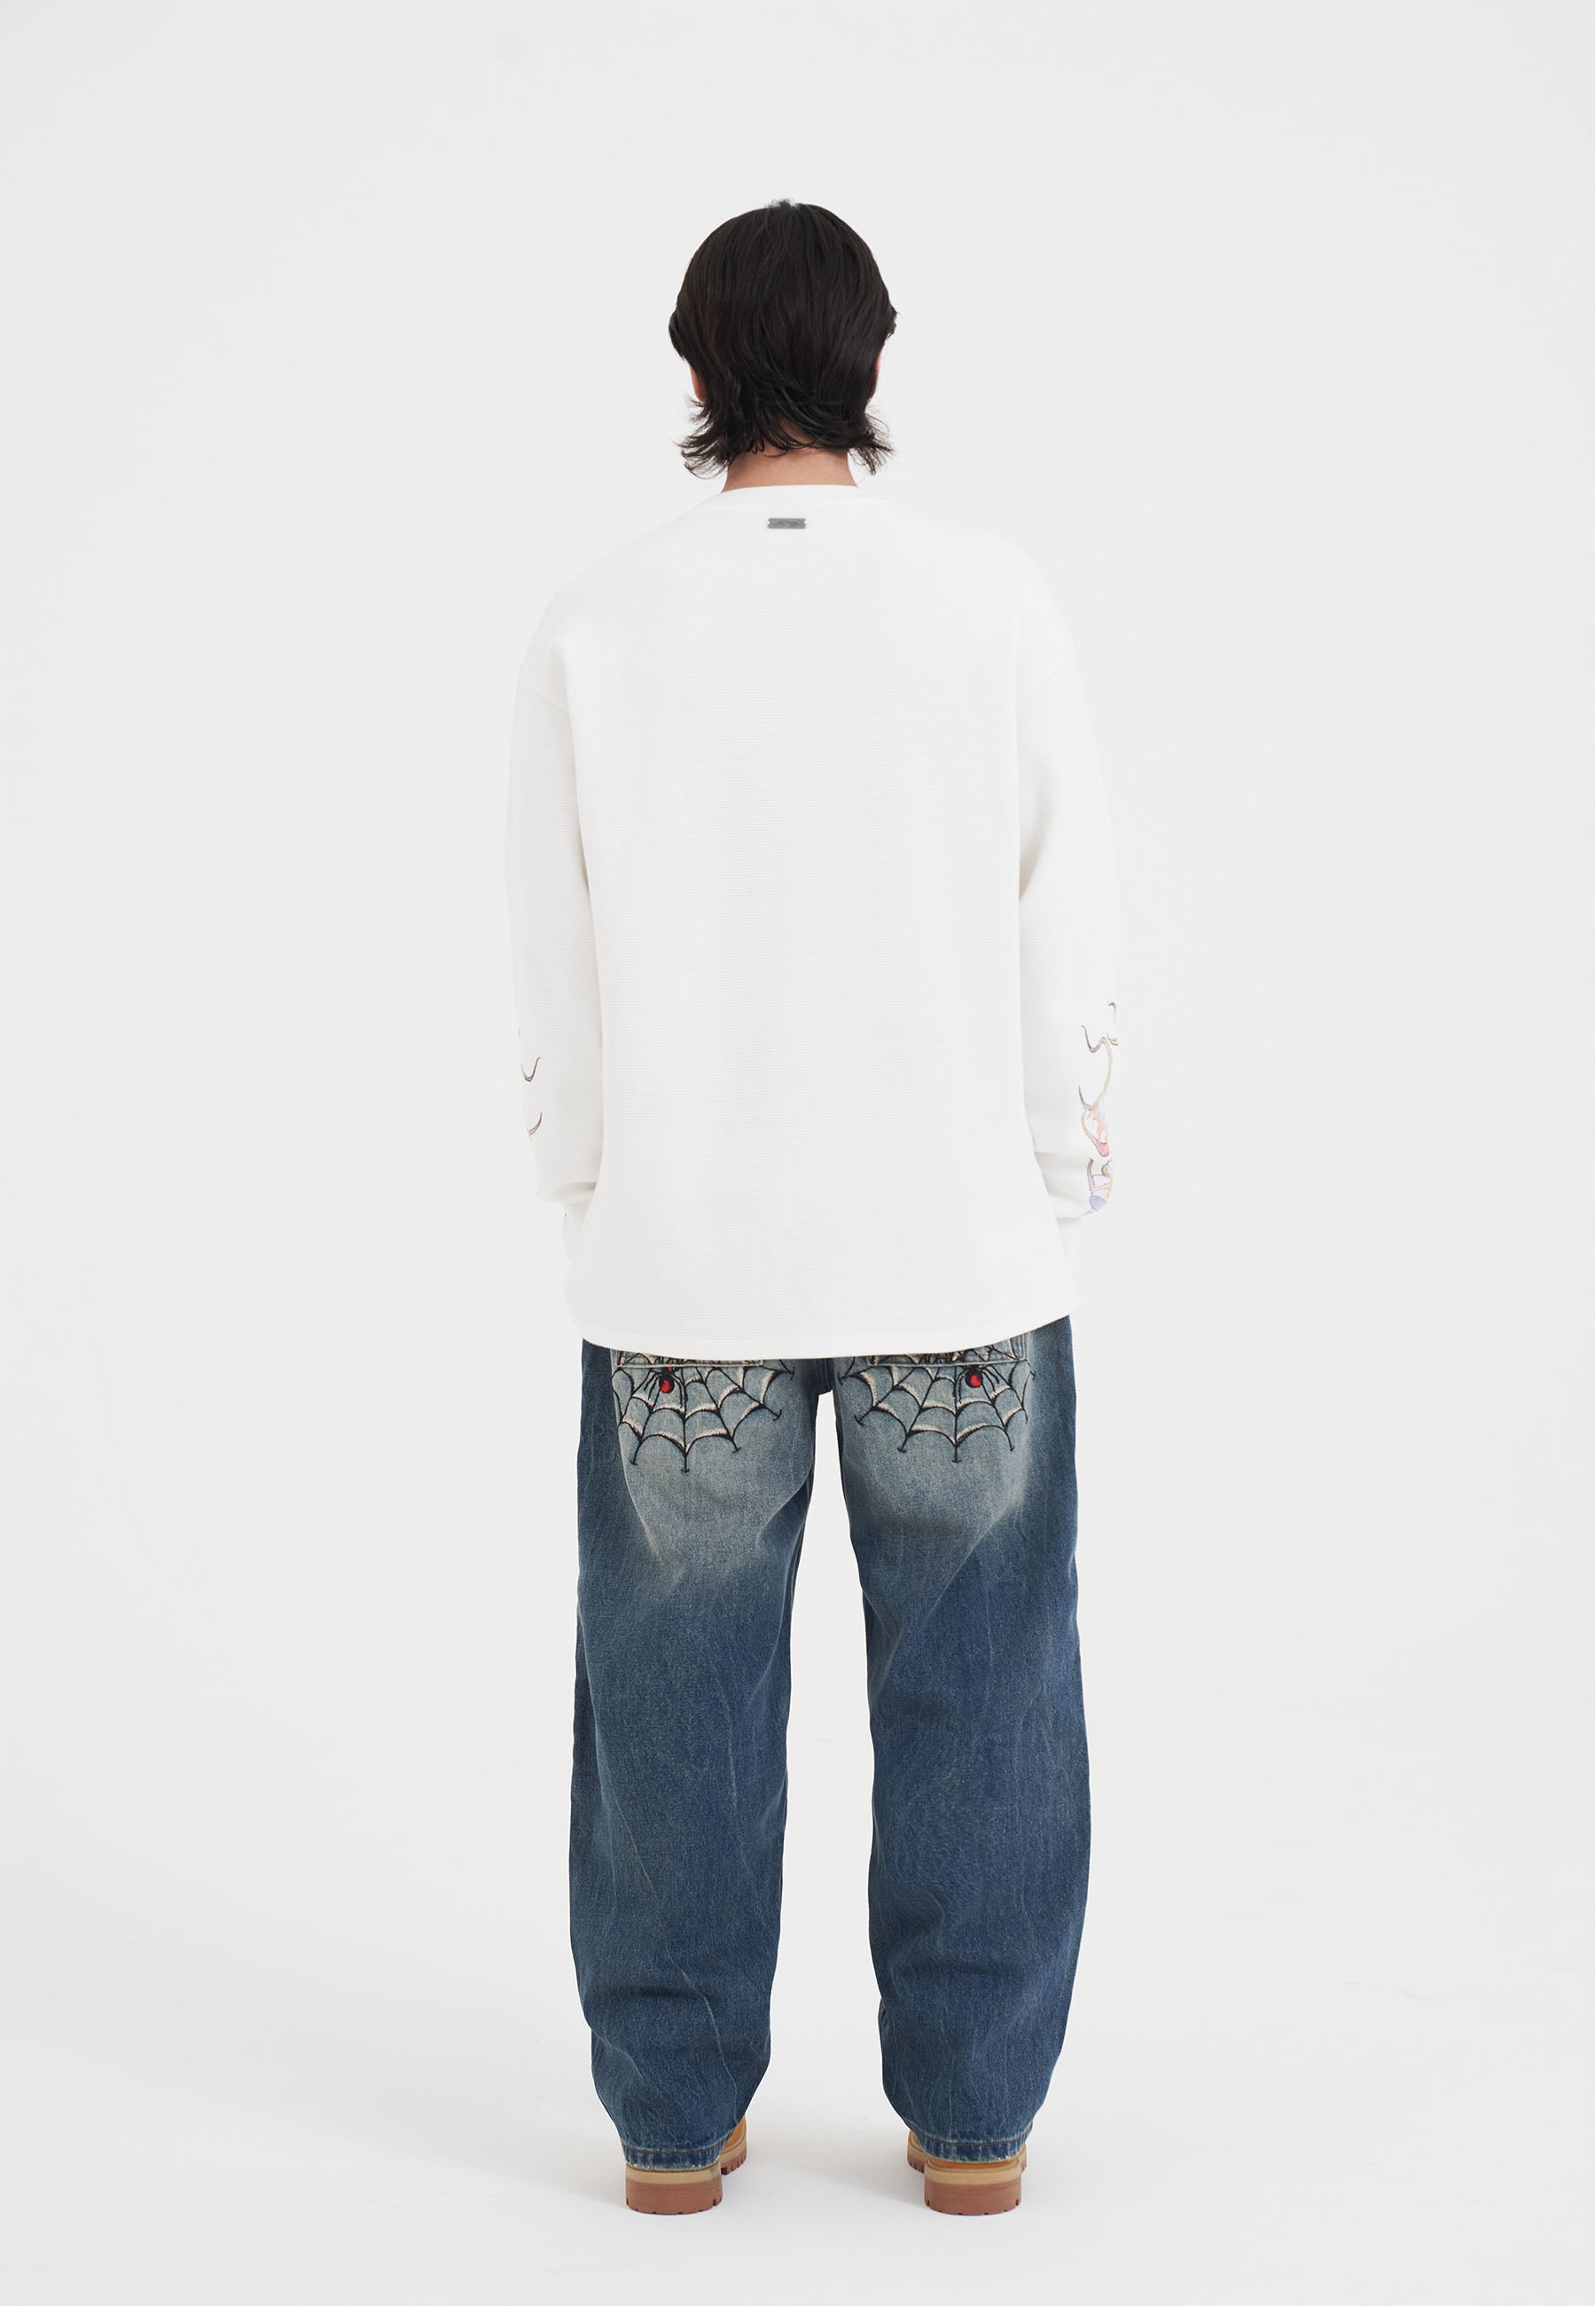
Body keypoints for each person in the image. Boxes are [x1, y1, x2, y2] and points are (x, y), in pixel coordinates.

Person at [503, 200, 1119, 2217]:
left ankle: (674, 2124)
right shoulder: (988, 602)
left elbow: (554, 949)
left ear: (695, 370)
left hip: (684, 1259)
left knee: (672, 1691)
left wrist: (597, 1195)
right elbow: (1064, 915)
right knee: (986, 1676)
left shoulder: (599, 621)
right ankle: (976, 2122)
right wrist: (1048, 1176)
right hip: (954, 1248)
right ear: (872, 361)